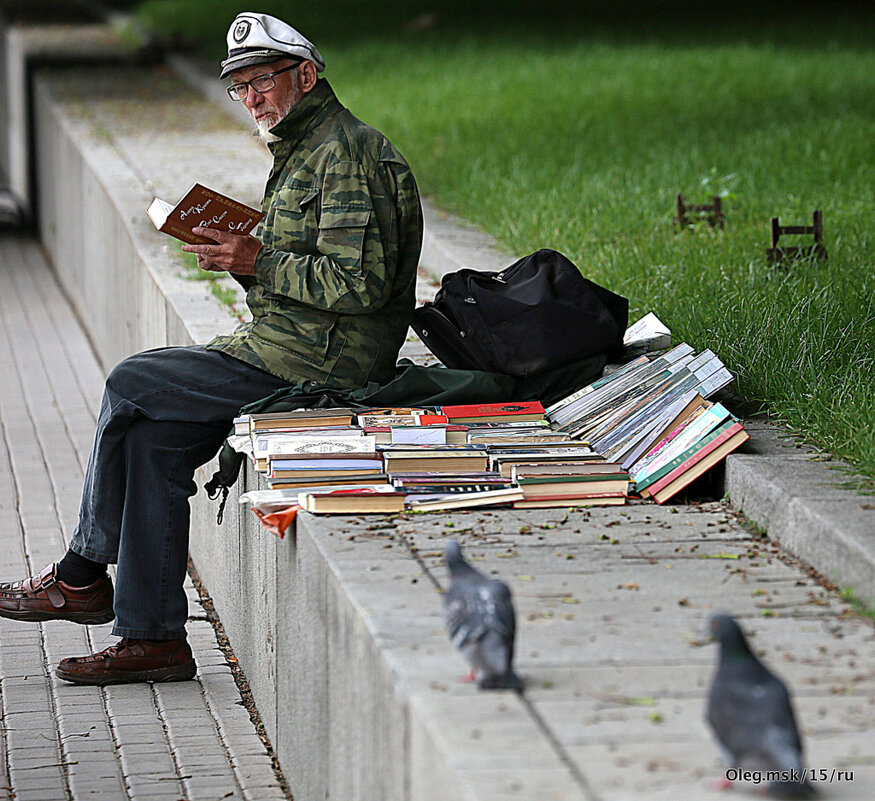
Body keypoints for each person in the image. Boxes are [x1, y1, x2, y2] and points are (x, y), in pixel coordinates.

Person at [0, 11, 423, 685]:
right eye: (241, 87)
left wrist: (259, 259)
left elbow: (362, 285)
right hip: (286, 342)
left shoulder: (346, 156)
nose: (253, 97)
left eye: (263, 81)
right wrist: (241, 257)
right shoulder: (305, 150)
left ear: (306, 75)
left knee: (132, 381)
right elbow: (310, 266)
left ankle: (80, 573)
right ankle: (153, 640)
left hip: (322, 361)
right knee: (152, 442)